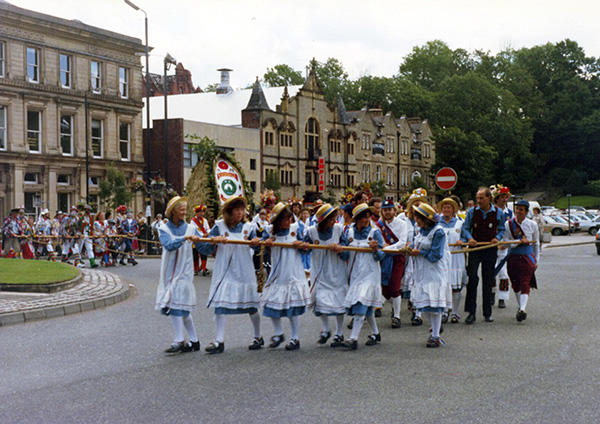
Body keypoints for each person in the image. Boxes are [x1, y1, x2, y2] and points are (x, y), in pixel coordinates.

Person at [198, 196, 263, 354]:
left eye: (242, 209)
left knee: (251, 306)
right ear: (229, 211)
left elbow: (259, 249)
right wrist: (214, 241)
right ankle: (219, 341)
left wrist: (256, 243)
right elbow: (203, 248)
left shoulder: (249, 227)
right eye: (236, 210)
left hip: (244, 271)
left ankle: (258, 336)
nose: (240, 213)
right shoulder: (219, 226)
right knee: (220, 305)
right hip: (225, 271)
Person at [260, 202, 310, 351]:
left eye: (290, 219)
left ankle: (295, 338)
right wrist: (266, 243)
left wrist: (302, 245)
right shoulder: (269, 231)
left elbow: (306, 248)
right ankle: (278, 333)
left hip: (293, 273)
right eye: (285, 220)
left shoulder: (295, 229)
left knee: (292, 307)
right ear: (277, 221)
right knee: (270, 304)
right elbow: (259, 246)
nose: (288, 222)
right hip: (277, 274)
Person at [155, 196, 202, 355]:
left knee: (175, 302)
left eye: (184, 209)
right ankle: (194, 341)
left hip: (185, 271)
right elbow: (169, 245)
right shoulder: (163, 229)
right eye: (181, 209)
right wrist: (185, 238)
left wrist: (216, 239)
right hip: (169, 272)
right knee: (181, 306)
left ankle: (179, 340)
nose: (184, 212)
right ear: (173, 211)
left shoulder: (191, 227)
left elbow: (203, 243)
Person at [304, 204, 350, 347]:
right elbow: (304, 250)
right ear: (323, 220)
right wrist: (304, 247)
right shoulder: (311, 232)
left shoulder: (339, 230)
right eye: (331, 219)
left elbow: (347, 252)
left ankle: (339, 333)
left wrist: (340, 250)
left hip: (336, 271)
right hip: (319, 271)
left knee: (339, 301)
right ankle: (325, 329)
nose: (334, 221)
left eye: (335, 218)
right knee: (319, 300)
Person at [407, 203, 451, 348]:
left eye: (418, 218)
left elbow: (436, 255)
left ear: (426, 219)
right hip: (422, 271)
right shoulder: (421, 231)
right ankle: (435, 328)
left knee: (434, 304)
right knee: (424, 303)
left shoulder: (438, 232)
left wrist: (419, 253)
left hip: (434, 272)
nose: (416, 221)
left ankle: (436, 336)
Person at [342, 203, 385, 350]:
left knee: (361, 302)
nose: (367, 220)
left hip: (370, 274)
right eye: (364, 217)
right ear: (357, 219)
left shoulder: (375, 232)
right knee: (367, 307)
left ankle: (353, 339)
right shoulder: (349, 232)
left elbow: (382, 255)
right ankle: (375, 333)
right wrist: (338, 250)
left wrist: (375, 250)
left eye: (368, 217)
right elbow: (345, 254)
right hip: (354, 273)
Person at [463, 187, 506, 324]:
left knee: (488, 280)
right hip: (475, 248)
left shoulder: (498, 212)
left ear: (489, 198)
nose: (479, 201)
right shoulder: (472, 211)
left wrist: (497, 238)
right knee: (473, 278)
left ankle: (487, 313)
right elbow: (465, 228)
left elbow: (501, 229)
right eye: (478, 198)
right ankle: (471, 312)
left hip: (489, 248)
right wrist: (469, 238)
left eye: (482, 198)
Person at [501, 199, 540, 322]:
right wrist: (518, 242)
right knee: (515, 283)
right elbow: (506, 242)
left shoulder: (532, 225)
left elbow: (536, 244)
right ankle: (520, 307)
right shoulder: (508, 224)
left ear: (526, 211)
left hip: (527, 258)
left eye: (521, 210)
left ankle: (523, 309)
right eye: (517, 209)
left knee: (525, 282)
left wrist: (536, 260)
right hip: (513, 257)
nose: (518, 212)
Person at [375, 199, 408, 328]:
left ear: (394, 210)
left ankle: (397, 316)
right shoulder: (378, 225)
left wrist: (386, 248)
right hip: (383, 258)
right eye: (385, 210)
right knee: (383, 287)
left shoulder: (402, 224)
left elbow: (402, 242)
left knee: (395, 286)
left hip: (397, 257)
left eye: (389, 209)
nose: (387, 212)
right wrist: (382, 248)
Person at [437, 197, 467, 323]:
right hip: (443, 258)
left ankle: (454, 312)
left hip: (456, 257)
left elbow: (466, 237)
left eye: (449, 207)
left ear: (453, 209)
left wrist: (463, 241)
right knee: (444, 286)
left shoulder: (460, 223)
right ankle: (444, 312)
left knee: (455, 286)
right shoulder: (437, 224)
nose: (446, 210)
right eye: (444, 207)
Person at [491, 184, 512, 308]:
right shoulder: (492, 211)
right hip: (493, 245)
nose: (504, 199)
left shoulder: (509, 212)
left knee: (503, 274)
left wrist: (507, 243)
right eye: (502, 197)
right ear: (497, 198)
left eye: (506, 197)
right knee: (492, 272)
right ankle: (492, 294)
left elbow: (511, 229)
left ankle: (502, 298)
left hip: (504, 247)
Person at [190, 204, 211, 276]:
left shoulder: (205, 220)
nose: (201, 213)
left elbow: (208, 228)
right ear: (197, 213)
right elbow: (195, 230)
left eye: (202, 212)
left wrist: (208, 233)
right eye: (200, 212)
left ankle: (204, 269)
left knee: (204, 253)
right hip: (196, 239)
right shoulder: (193, 221)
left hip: (204, 239)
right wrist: (202, 235)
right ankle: (195, 269)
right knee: (195, 254)